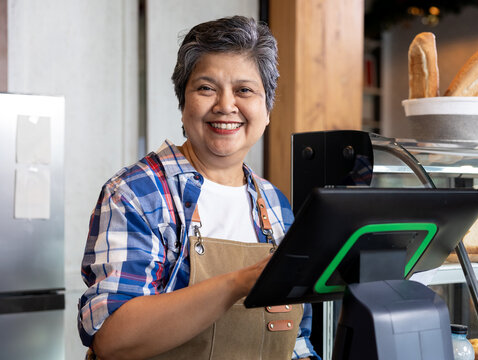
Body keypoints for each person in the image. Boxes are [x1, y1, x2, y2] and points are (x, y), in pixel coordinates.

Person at [78, 15, 320, 360]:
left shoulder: (275, 205)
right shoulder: (136, 193)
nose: (225, 105)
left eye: (244, 90)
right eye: (206, 88)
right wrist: (238, 283)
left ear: (267, 110)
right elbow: (112, 337)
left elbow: (296, 341)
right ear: (183, 104)